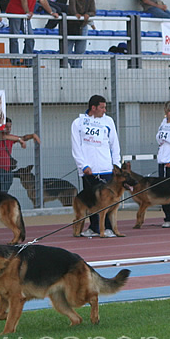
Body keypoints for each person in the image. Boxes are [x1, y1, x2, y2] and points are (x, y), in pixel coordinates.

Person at [71, 95, 121, 238]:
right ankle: (94, 227)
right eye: (102, 107)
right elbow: (76, 146)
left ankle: (108, 228)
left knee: (109, 201)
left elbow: (114, 144)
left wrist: (116, 165)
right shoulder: (78, 123)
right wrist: (83, 165)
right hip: (89, 171)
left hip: (107, 169)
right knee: (92, 201)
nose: (104, 110)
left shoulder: (108, 121)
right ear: (93, 108)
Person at [6, 0, 59, 67]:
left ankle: (27, 60)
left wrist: (51, 12)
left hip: (25, 15)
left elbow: (43, 0)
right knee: (14, 36)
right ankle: (15, 60)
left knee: (30, 37)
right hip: (15, 13)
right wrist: (27, 11)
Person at [0, 117, 40, 193]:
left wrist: (32, 135)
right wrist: (19, 140)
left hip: (7, 168)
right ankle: (0, 198)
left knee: (7, 181)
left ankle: (1, 198)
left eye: (10, 127)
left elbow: (23, 137)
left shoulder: (12, 138)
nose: (8, 129)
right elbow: (3, 137)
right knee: (1, 181)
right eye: (6, 127)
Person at [67, 0, 96, 68]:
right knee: (67, 50)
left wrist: (88, 14)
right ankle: (71, 65)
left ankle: (77, 67)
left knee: (80, 50)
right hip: (71, 26)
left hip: (82, 25)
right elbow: (72, 7)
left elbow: (93, 11)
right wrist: (76, 14)